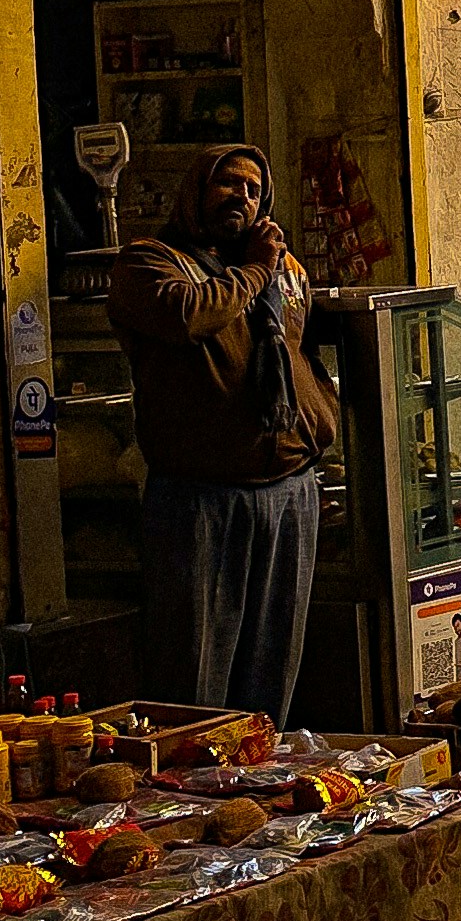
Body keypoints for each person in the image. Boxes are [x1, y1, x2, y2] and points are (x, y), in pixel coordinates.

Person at [109, 142, 338, 720]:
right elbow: (188, 314)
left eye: (254, 190)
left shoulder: (279, 274)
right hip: (200, 501)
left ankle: (257, 789)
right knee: (195, 680)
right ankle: (192, 798)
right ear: (197, 191)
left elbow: (297, 345)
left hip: (288, 493)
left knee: (271, 673)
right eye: (228, 184)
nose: (242, 196)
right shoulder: (147, 262)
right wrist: (256, 269)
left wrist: (319, 415)